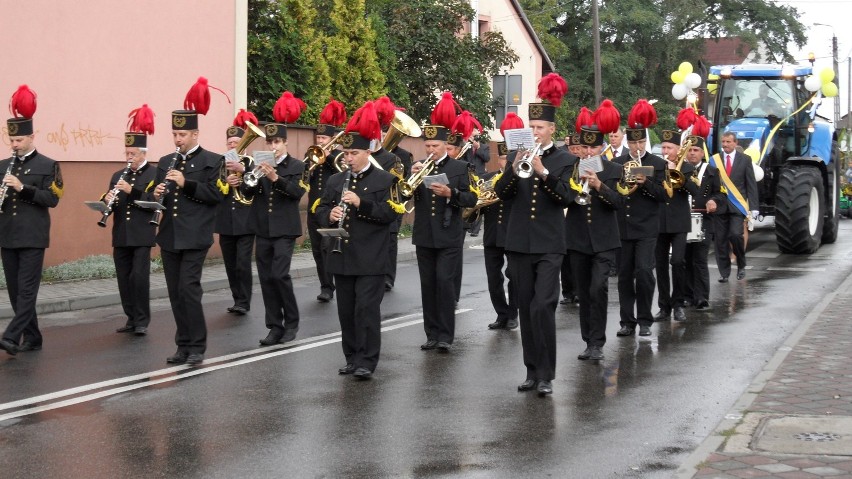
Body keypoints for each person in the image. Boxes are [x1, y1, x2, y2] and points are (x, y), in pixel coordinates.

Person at [494, 73, 573, 396]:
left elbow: (566, 197)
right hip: (519, 243)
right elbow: (502, 193)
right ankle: (531, 370)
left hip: (549, 244)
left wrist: (542, 171)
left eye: (540, 128)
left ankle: (547, 375)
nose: (535, 132)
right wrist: (515, 168)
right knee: (525, 307)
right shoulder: (518, 156)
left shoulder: (565, 160)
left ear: (551, 129)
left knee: (543, 305)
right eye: (532, 127)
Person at [316, 102, 403, 379]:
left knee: (366, 310)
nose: (349, 158)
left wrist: (361, 203)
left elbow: (390, 214)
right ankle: (352, 357)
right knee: (346, 311)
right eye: (346, 153)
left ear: (368, 151)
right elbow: (318, 210)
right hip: (342, 256)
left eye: (354, 153)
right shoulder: (335, 181)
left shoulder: (385, 179)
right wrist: (330, 214)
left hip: (370, 258)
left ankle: (367, 360)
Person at [154, 79, 224, 366]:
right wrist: (155, 192)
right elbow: (158, 196)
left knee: (188, 290)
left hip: (195, 235)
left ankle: (197, 346)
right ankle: (182, 345)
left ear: (195, 133)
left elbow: (216, 194)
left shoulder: (212, 160)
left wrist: (186, 183)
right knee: (174, 293)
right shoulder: (165, 161)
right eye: (174, 134)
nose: (177, 139)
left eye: (182, 134)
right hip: (169, 234)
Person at [406, 91, 477, 353]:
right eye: (427, 147)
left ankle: (446, 335)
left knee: (445, 284)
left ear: (446, 146)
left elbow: (471, 199)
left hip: (448, 234)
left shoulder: (459, 169)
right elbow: (406, 194)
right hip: (425, 234)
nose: (430, 151)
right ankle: (431, 333)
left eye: (435, 147)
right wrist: (411, 179)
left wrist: (452, 194)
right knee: (428, 285)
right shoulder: (421, 165)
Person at [240, 91, 307, 346]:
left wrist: (275, 179)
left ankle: (291, 323)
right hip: (262, 228)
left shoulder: (296, 166)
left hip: (285, 229)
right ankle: (274, 326)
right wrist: (250, 177)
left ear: (285, 143)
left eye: (277, 141)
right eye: (270, 142)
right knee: (267, 278)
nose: (273, 146)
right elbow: (247, 191)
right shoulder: (257, 164)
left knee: (280, 275)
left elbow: (297, 193)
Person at [0, 86, 62, 356]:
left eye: (19, 140)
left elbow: (52, 199)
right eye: (11, 141)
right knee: (15, 292)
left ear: (32, 137)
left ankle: (12, 336)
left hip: (33, 236)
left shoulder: (48, 165)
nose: (14, 145)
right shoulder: (2, 165)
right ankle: (33, 337)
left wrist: (22, 188)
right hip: (7, 234)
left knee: (26, 291)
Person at [566, 122, 623, 361]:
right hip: (578, 238)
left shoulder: (613, 169)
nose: (588, 152)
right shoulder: (570, 169)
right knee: (584, 291)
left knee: (597, 287)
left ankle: (598, 342)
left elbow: (619, 203)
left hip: (604, 240)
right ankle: (588, 340)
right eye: (584, 148)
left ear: (602, 147)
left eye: (593, 148)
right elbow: (563, 199)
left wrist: (599, 186)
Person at [613, 100, 668, 338]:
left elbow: (664, 195)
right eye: (632, 142)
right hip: (623, 226)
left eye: (640, 142)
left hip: (646, 227)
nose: (636, 146)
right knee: (624, 275)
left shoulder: (658, 164)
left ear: (646, 141)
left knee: (644, 272)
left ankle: (645, 318)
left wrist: (646, 183)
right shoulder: (618, 163)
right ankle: (627, 321)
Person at [107, 105, 158, 336]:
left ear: (143, 154)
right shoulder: (117, 175)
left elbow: (153, 199)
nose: (129, 159)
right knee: (123, 278)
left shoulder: (153, 174)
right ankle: (130, 317)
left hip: (142, 233)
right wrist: (107, 199)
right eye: (127, 154)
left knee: (139, 278)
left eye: (133, 155)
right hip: (122, 233)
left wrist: (131, 190)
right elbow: (115, 201)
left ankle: (142, 321)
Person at [216, 110, 259, 316]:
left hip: (246, 219)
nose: (233, 145)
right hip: (226, 219)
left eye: (236, 142)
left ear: (244, 143)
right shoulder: (220, 162)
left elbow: (257, 186)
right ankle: (236, 299)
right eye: (230, 142)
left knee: (243, 263)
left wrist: (243, 172)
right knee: (230, 263)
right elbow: (212, 189)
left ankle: (244, 301)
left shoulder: (251, 162)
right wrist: (225, 182)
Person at [653, 129, 698, 323]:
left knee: (678, 262)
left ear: (678, 149)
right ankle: (664, 306)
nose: (665, 151)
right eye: (663, 147)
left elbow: (695, 190)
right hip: (659, 222)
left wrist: (678, 173)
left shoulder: (687, 167)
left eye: (669, 147)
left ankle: (678, 303)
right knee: (661, 265)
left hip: (679, 221)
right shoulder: (656, 166)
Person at [307, 98, 347, 302]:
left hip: (333, 210)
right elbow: (303, 179)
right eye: (319, 137)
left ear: (333, 140)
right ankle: (325, 286)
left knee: (329, 248)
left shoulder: (341, 156)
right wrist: (311, 163)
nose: (320, 141)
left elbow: (343, 175)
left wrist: (329, 156)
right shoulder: (312, 156)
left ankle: (334, 283)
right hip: (314, 211)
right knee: (316, 249)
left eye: (324, 138)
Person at [711, 131, 759, 282]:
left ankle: (741, 264)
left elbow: (750, 184)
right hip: (719, 206)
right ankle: (724, 273)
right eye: (723, 142)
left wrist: (754, 207)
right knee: (720, 241)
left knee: (735, 235)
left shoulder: (745, 159)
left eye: (728, 142)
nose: (725, 145)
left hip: (737, 206)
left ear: (735, 143)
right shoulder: (714, 160)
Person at [683, 135, 724, 310]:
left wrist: (714, 201)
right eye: (689, 150)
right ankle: (686, 296)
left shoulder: (712, 171)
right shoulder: (680, 170)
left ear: (702, 153)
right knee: (685, 258)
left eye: (696, 150)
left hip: (703, 220)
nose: (692, 154)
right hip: (683, 220)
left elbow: (721, 194)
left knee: (699, 259)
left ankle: (701, 297)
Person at [481, 140, 518, 331]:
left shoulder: (520, 178)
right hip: (492, 235)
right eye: (502, 159)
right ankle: (501, 314)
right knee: (493, 278)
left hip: (513, 235)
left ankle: (513, 314)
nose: (505, 163)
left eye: (508, 159)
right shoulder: (487, 178)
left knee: (514, 276)